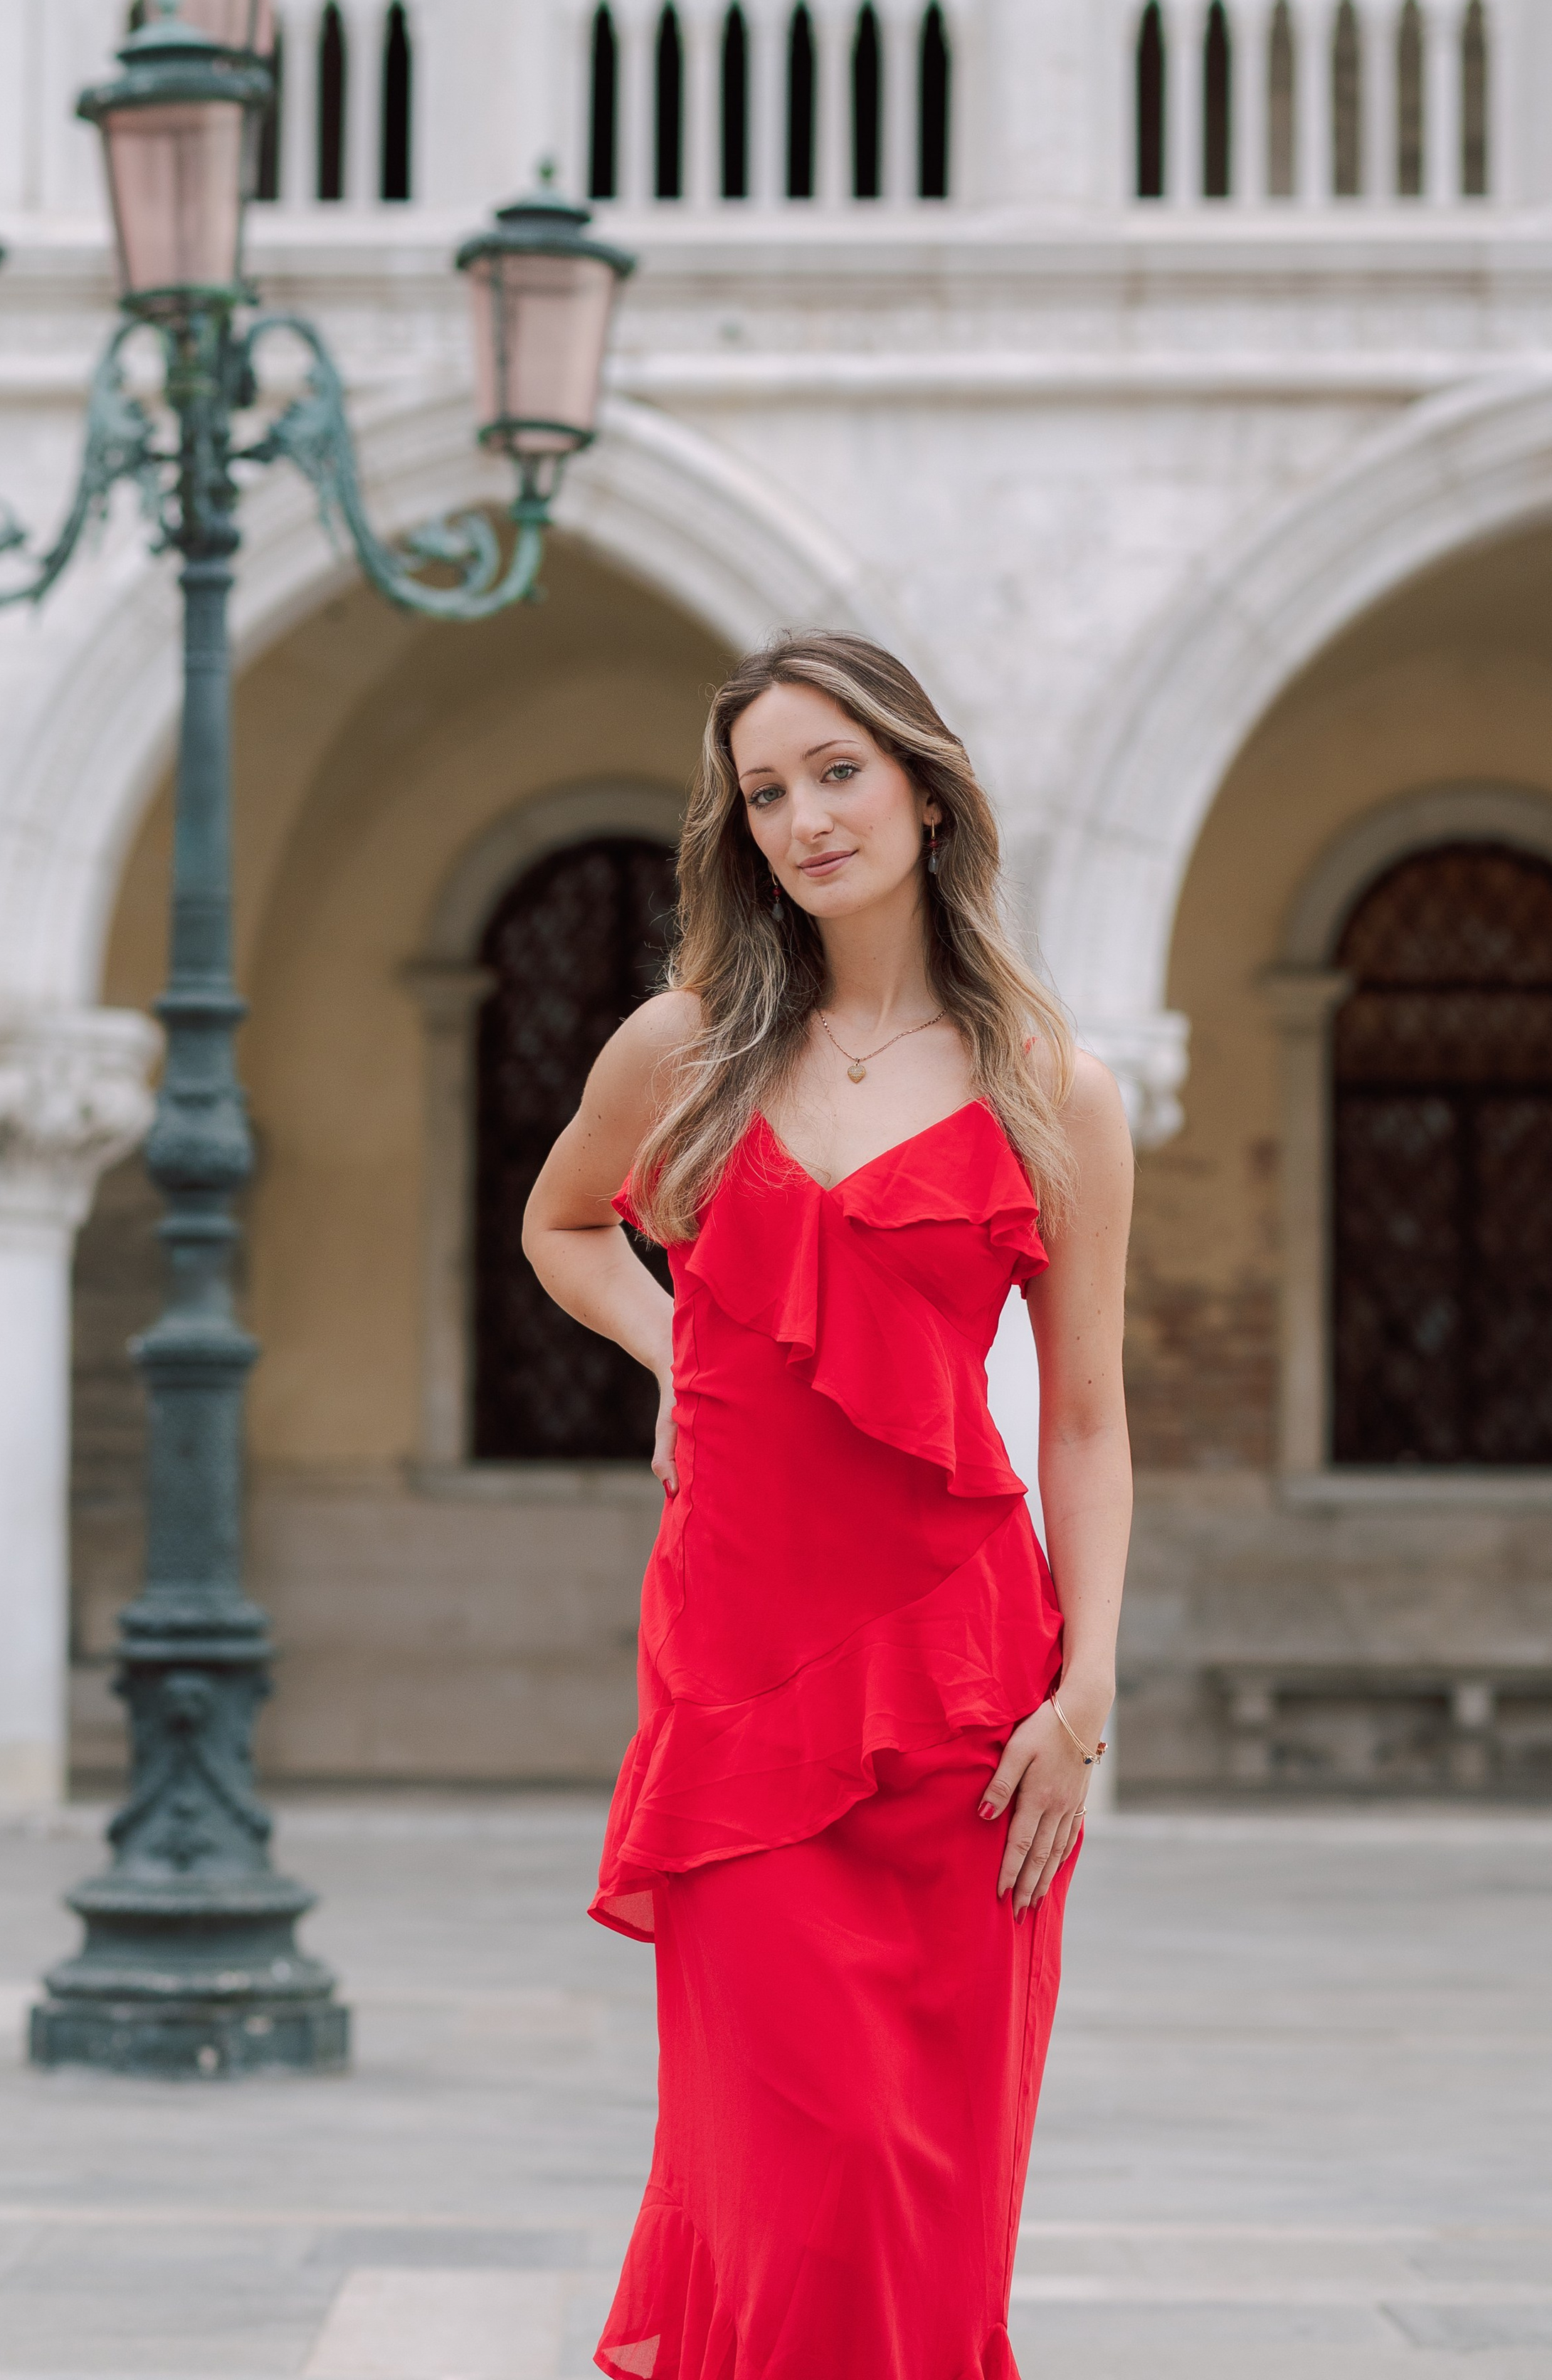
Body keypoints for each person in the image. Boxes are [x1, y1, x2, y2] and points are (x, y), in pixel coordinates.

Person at [523, 632, 1134, 2379]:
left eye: (836, 772)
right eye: (765, 792)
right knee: (791, 2175)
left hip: (967, 1698)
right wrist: (675, 1348)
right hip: (736, 1679)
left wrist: (1083, 1693)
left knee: (925, 2195)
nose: (802, 818)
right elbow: (562, 1226)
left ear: (927, 791)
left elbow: (1085, 1422)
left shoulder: (1050, 1089)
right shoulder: (683, 1048)